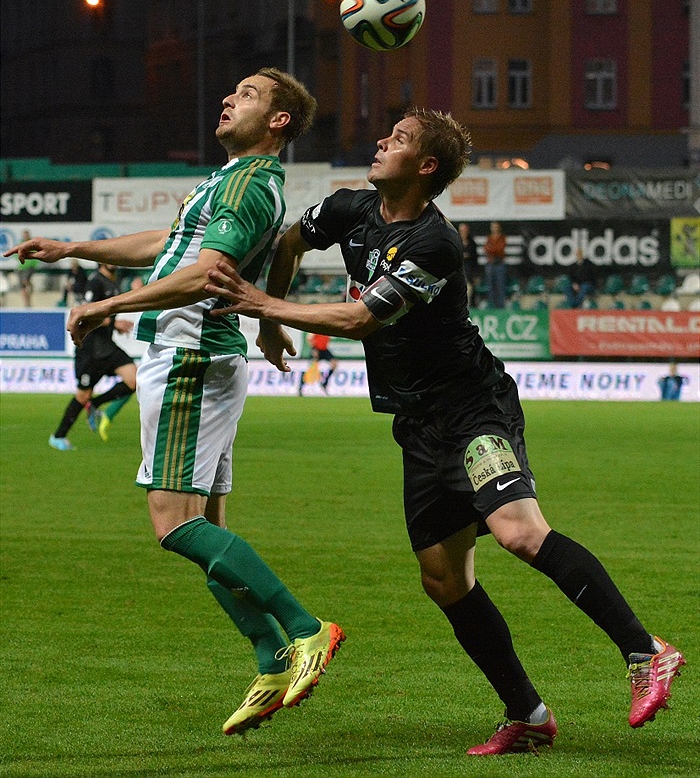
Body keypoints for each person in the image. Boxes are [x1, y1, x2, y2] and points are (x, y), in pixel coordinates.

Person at [205, 107, 685, 756]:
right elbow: (290, 242)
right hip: (419, 424)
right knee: (445, 581)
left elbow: (361, 320)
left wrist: (264, 303)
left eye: (398, 139)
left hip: (473, 411)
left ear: (425, 166)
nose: (381, 140)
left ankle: (644, 649)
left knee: (518, 531)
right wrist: (270, 322)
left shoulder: (434, 242)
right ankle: (529, 715)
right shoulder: (351, 210)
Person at [4, 68, 344, 736]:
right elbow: (168, 245)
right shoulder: (230, 180)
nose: (228, 98)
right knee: (207, 521)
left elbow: (207, 271)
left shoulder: (250, 183)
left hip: (187, 353)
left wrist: (110, 304)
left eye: (248, 95)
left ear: (279, 121)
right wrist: (72, 245)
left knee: (171, 522)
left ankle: (306, 629)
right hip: (199, 354)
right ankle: (269, 656)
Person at [47, 262, 137, 450]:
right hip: (91, 350)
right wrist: (114, 324)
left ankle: (95, 404)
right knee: (82, 395)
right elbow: (87, 313)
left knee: (134, 380)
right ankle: (58, 436)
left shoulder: (114, 282)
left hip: (107, 347)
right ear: (101, 261)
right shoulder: (95, 282)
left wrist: (113, 326)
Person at [483, 221, 507, 309]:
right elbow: (485, 248)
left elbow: (500, 249)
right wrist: (492, 249)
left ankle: (500, 307)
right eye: (493, 227)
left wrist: (491, 249)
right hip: (490, 264)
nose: (494, 229)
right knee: (490, 286)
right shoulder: (489, 238)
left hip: (499, 264)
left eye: (496, 227)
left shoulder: (502, 238)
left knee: (500, 286)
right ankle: (491, 306)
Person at [457, 222, 478, 306]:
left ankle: (469, 306)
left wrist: (476, 274)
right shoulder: (455, 241)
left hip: (469, 271)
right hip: (458, 271)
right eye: (462, 230)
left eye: (465, 230)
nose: (463, 232)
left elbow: (475, 258)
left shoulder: (472, 243)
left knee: (469, 290)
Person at [17, 229, 40, 307]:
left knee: (25, 281)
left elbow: (36, 254)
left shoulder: (32, 244)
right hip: (21, 267)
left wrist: (34, 264)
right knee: (22, 287)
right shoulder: (20, 243)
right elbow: (16, 254)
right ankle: (26, 302)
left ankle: (30, 292)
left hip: (29, 266)